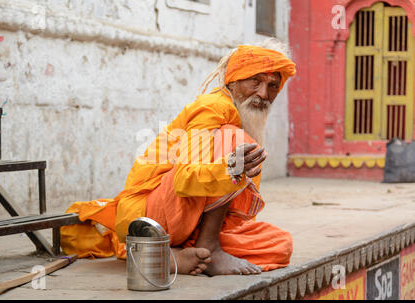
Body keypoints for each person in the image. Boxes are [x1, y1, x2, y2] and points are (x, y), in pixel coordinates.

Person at [61, 38, 296, 276]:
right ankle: (207, 248)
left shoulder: (240, 112)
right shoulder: (214, 107)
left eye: (273, 86)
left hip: (185, 219)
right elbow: (184, 179)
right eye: (255, 81)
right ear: (233, 81)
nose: (263, 94)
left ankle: (173, 252)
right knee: (231, 137)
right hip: (149, 214)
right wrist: (230, 169)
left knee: (279, 244)